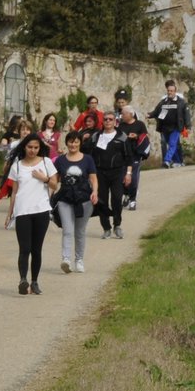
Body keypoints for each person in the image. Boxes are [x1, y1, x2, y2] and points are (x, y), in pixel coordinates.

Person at [5, 133, 58, 295]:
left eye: (36, 147)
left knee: (36, 249)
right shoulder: (17, 166)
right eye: (30, 147)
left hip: (41, 210)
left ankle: (34, 281)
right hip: (22, 211)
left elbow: (55, 185)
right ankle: (23, 280)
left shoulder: (46, 162)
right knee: (24, 248)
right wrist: (10, 213)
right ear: (24, 147)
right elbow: (14, 192)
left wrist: (44, 178)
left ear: (39, 148)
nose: (33, 150)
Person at [52, 129, 96, 275]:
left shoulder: (88, 159)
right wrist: (48, 192)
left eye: (76, 141)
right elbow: (55, 180)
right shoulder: (60, 160)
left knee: (80, 231)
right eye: (71, 141)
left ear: (80, 143)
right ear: (67, 143)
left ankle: (79, 260)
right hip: (65, 199)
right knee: (67, 230)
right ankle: (66, 259)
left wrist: (95, 192)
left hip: (84, 200)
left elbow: (93, 178)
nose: (73, 144)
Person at [89, 112, 133, 240]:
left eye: (110, 119)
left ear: (115, 122)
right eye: (106, 119)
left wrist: (128, 174)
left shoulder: (122, 136)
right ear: (102, 122)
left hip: (117, 172)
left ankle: (117, 225)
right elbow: (89, 154)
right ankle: (106, 228)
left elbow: (128, 157)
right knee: (101, 201)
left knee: (117, 199)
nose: (108, 121)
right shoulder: (96, 136)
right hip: (100, 172)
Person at [117, 106, 150, 210]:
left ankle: (132, 199)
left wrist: (136, 136)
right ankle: (126, 194)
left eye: (124, 114)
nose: (122, 116)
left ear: (130, 114)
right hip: (123, 154)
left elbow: (145, 137)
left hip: (135, 154)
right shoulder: (121, 126)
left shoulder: (140, 125)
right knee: (122, 177)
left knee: (133, 177)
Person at [150, 80, 188, 168]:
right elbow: (156, 111)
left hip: (176, 127)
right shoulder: (163, 101)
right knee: (171, 144)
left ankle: (167, 160)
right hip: (165, 127)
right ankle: (178, 161)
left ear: (175, 91)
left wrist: (188, 125)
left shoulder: (181, 101)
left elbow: (186, 114)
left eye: (171, 91)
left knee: (172, 143)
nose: (169, 92)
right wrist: (150, 115)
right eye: (168, 91)